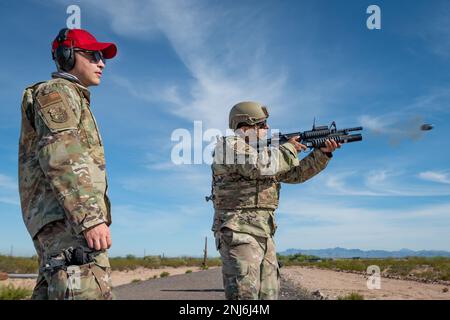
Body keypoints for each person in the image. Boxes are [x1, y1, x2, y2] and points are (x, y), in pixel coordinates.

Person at [18, 28, 117, 300]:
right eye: (94, 55)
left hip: (63, 219)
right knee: (87, 290)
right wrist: (89, 218)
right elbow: (61, 155)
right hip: (69, 221)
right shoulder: (57, 92)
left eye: (103, 58)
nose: (102, 63)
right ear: (67, 55)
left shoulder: (72, 96)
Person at [210, 101, 341, 300]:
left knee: (268, 296)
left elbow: (295, 175)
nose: (267, 128)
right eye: (262, 125)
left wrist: (322, 154)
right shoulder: (228, 146)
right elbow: (258, 166)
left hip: (265, 232)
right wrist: (288, 149)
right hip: (239, 232)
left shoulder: (269, 153)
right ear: (245, 127)